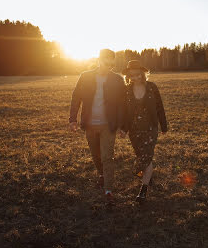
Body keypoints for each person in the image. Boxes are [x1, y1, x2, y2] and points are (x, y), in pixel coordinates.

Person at [69, 49, 126, 206]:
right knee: (96, 155)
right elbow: (76, 97)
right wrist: (72, 119)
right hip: (90, 124)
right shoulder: (85, 76)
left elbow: (122, 104)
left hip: (109, 125)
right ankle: (101, 175)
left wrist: (123, 125)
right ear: (99, 60)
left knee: (107, 157)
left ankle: (108, 191)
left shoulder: (117, 80)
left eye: (111, 62)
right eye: (106, 61)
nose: (109, 65)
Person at [122, 60, 168, 203]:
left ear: (142, 74)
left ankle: (143, 190)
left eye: (137, 75)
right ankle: (149, 176)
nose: (135, 78)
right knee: (141, 156)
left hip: (150, 128)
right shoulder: (127, 90)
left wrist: (163, 125)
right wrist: (123, 129)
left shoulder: (152, 87)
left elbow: (159, 107)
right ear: (128, 76)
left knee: (146, 157)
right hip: (134, 130)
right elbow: (124, 112)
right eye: (132, 75)